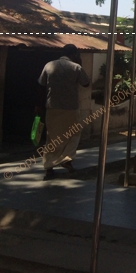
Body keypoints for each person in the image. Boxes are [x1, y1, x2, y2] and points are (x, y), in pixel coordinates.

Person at [37, 44, 90, 180]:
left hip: (52, 106)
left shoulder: (49, 65)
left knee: (52, 136)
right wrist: (80, 64)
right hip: (71, 108)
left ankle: (49, 167)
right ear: (75, 54)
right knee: (74, 134)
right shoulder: (76, 67)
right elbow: (86, 83)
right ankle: (67, 159)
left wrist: (39, 105)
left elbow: (41, 86)